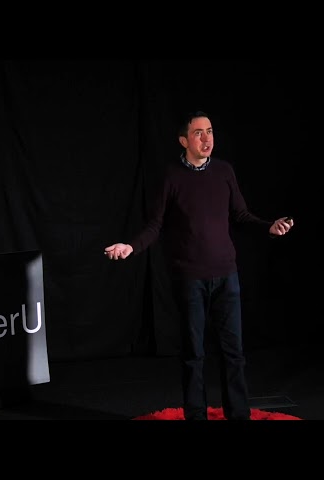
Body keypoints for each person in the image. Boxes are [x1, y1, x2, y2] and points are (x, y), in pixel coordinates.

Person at [104, 110, 294, 420]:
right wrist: (131, 246)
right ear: (183, 141)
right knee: (194, 354)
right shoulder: (171, 176)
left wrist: (268, 227)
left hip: (227, 276)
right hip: (190, 278)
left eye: (210, 131)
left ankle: (239, 415)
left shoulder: (224, 171)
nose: (207, 138)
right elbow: (155, 225)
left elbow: (241, 216)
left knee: (234, 354)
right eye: (198, 133)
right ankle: (196, 416)